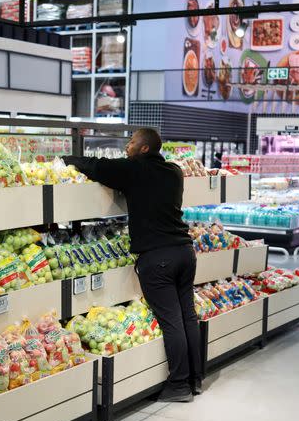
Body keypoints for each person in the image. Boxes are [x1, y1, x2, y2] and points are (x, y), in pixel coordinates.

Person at [63, 128, 200, 402]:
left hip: (157, 258)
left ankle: (179, 386)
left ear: (144, 149)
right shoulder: (173, 172)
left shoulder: (136, 170)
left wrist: (69, 160)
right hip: (184, 252)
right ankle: (196, 378)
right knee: (187, 317)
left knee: (172, 322)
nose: (127, 145)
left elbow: (100, 167)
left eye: (132, 141)